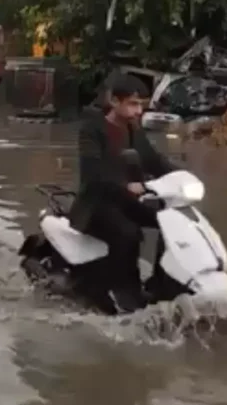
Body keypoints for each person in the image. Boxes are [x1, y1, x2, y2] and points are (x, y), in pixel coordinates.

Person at [69, 71, 175, 308]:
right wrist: (126, 185)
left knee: (171, 220)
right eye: (133, 104)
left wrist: (182, 177)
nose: (139, 111)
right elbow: (93, 174)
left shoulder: (133, 130)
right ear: (114, 101)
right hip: (97, 204)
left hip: (127, 202)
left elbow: (154, 160)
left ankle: (161, 285)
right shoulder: (91, 130)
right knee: (129, 232)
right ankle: (125, 290)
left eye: (141, 105)